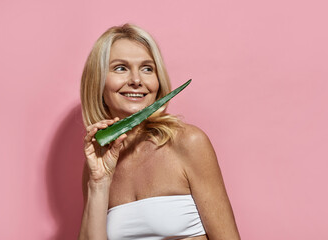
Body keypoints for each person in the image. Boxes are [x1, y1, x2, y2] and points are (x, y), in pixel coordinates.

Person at [78, 23, 241, 240]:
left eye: (147, 68)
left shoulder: (188, 142)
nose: (137, 80)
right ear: (97, 83)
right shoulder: (96, 165)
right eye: (120, 68)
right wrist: (99, 184)